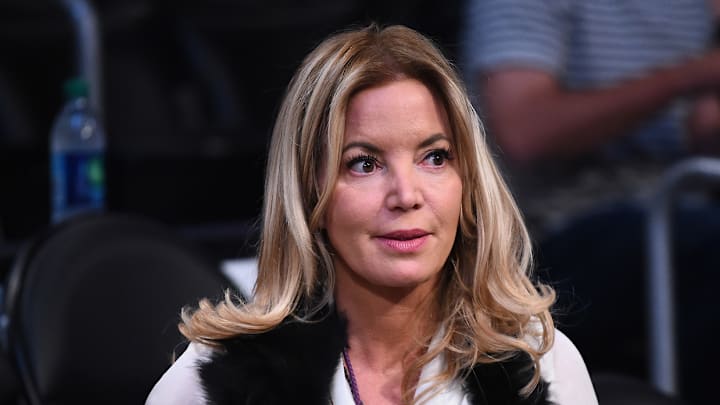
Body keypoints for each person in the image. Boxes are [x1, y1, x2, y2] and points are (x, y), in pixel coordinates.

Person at [146, 24, 597, 405]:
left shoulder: (542, 364)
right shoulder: (214, 384)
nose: (406, 195)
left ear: (468, 182)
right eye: (364, 164)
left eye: (435, 157)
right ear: (309, 191)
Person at [461, 0, 720, 401]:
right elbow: (524, 130)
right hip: (549, 233)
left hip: (687, 207)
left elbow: (701, 128)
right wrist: (690, 75)